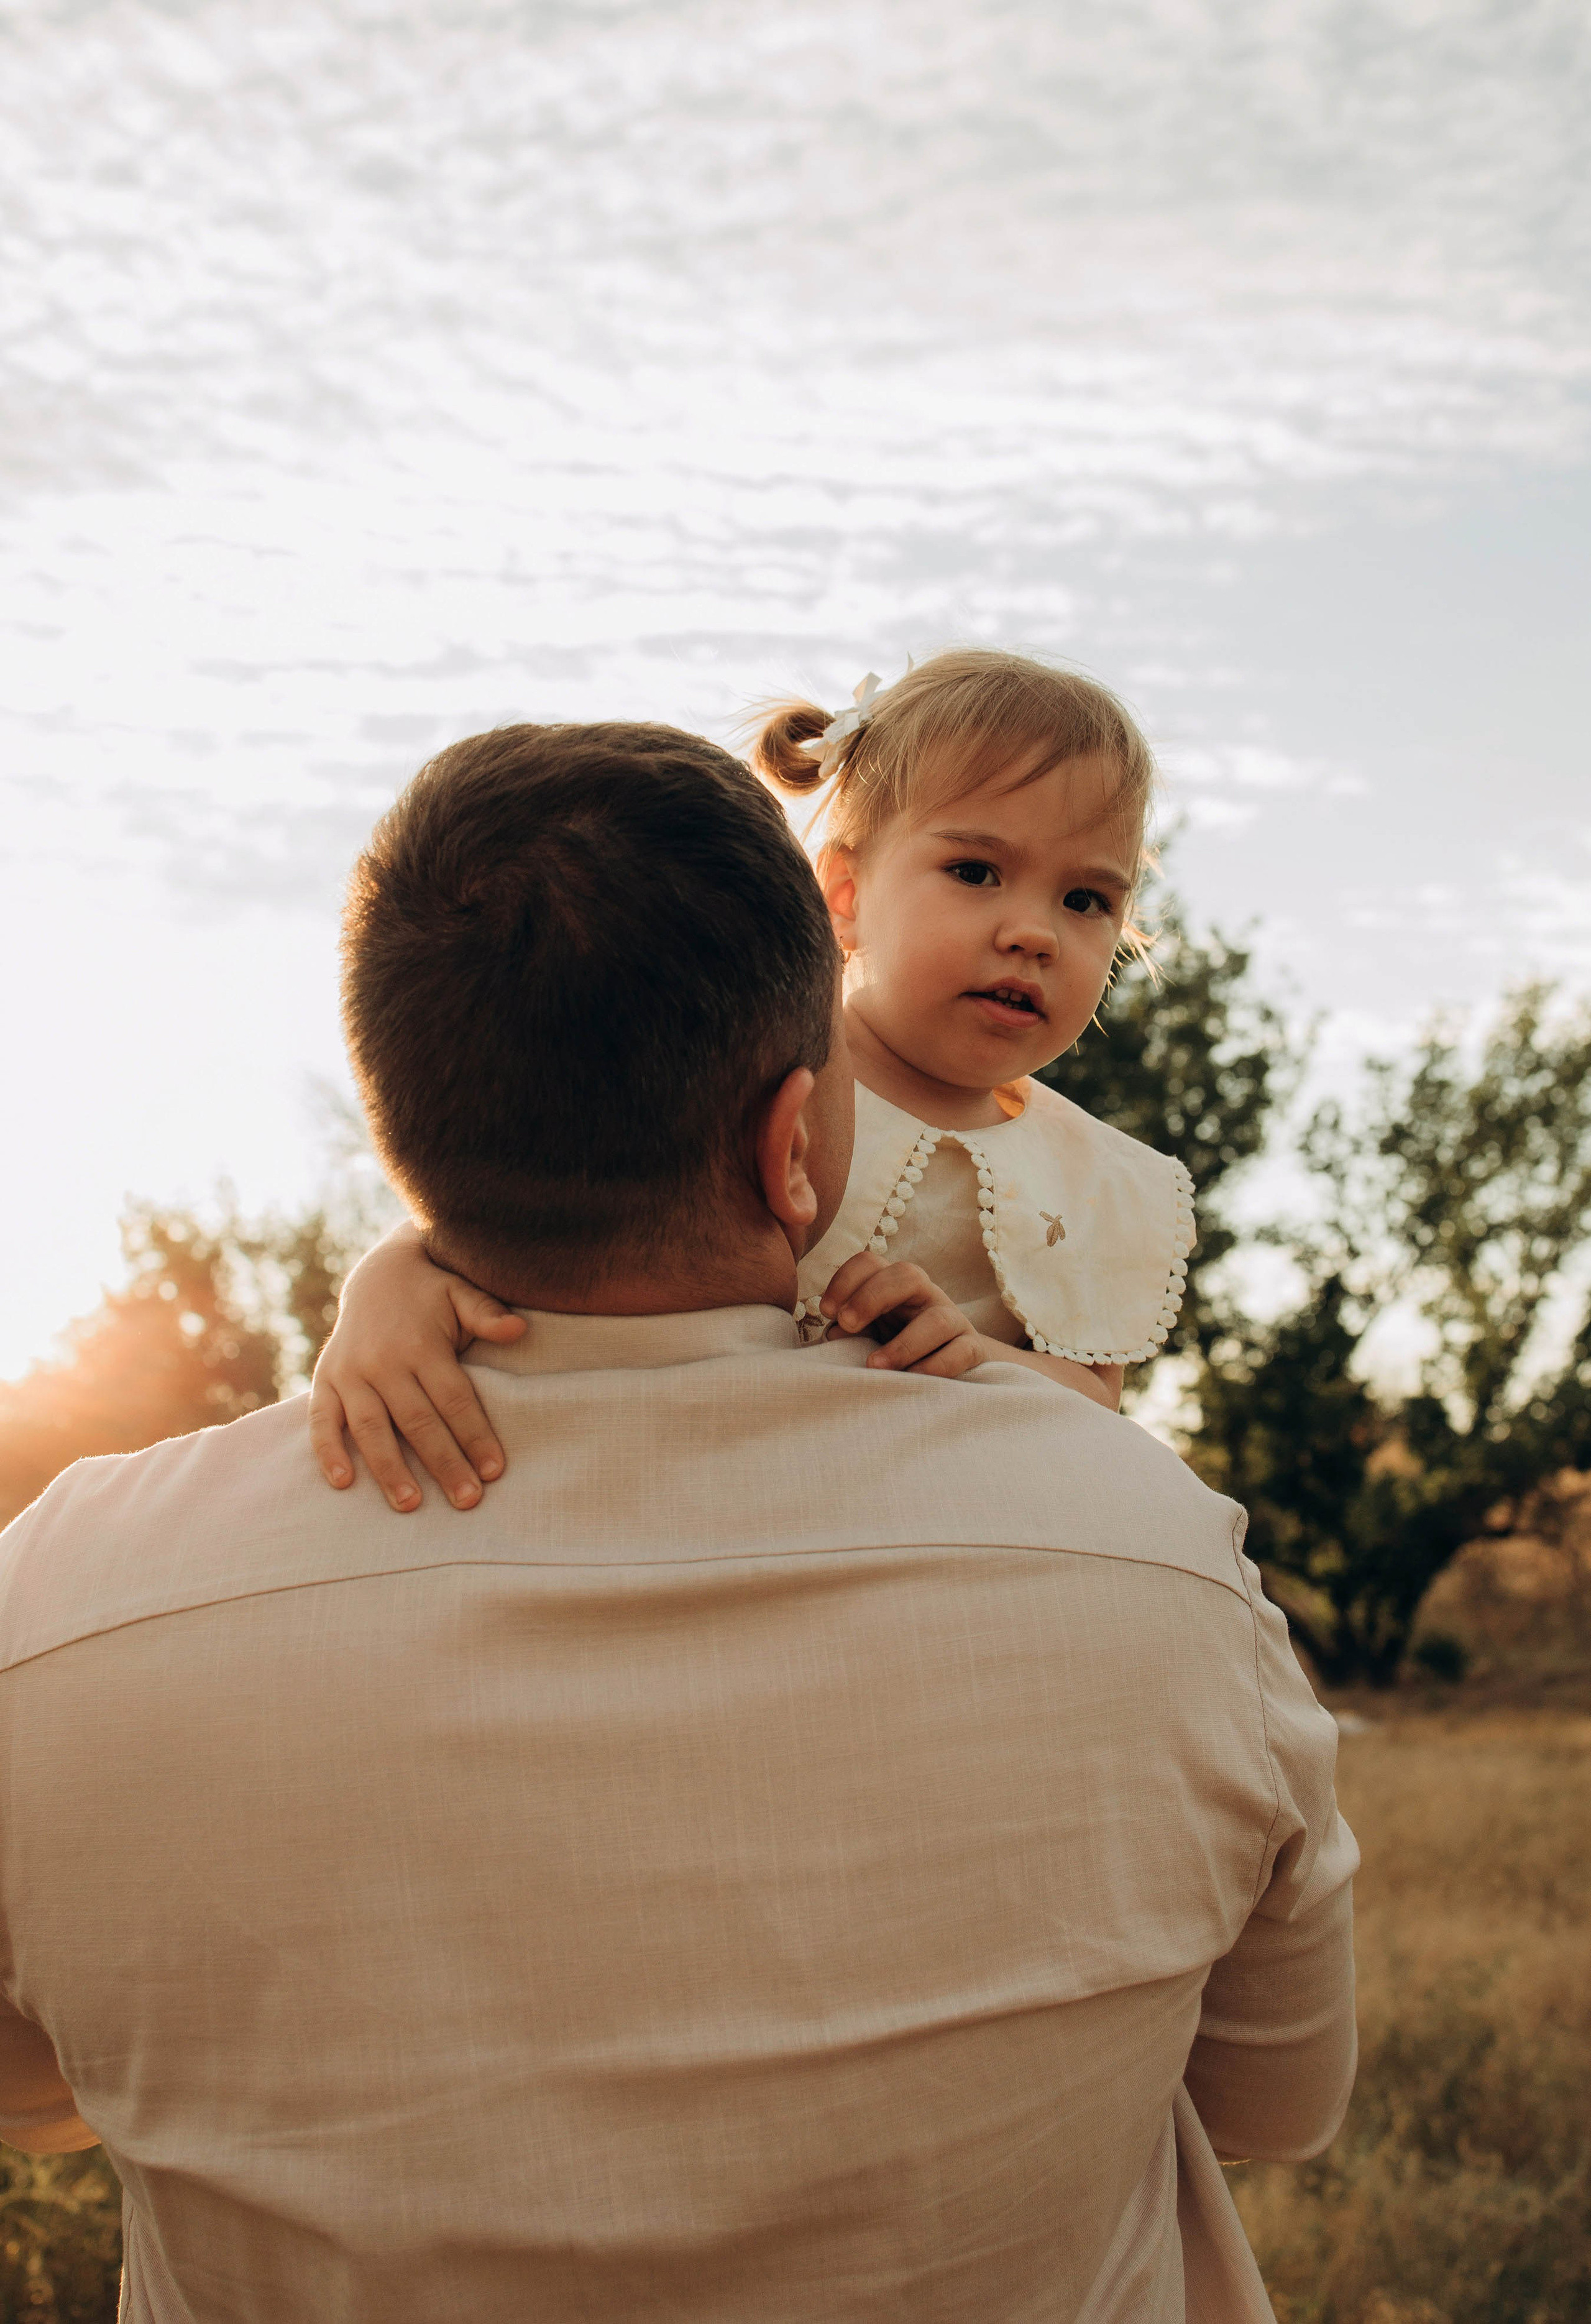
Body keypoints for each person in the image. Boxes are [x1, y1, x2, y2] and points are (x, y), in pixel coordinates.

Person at [0, 721, 1357, 2322]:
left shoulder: (57, 1612)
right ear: (796, 1144)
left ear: (411, 1136)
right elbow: (1273, 2107)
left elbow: (34, 2097)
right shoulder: (1164, 1570)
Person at [309, 651, 1193, 1518]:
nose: (1033, 932)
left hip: (906, 1529)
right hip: (666, 1481)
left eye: (1087, 901)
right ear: (844, 893)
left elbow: (1093, 1398)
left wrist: (976, 1359)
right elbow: (535, 1191)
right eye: (975, 872)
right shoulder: (740, 1051)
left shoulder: (1090, 1174)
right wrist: (384, 1288)